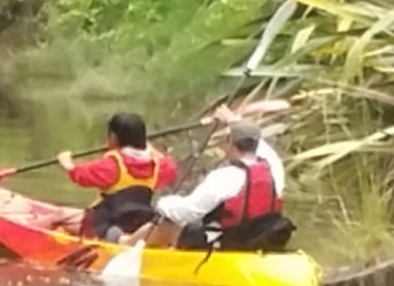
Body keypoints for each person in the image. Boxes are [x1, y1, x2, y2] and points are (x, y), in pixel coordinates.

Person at [121, 104, 294, 252]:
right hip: (256, 237)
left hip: (226, 241)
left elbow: (189, 212)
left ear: (230, 142)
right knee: (181, 219)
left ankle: (127, 246)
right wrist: (233, 120)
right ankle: (134, 242)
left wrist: (163, 203)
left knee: (169, 219)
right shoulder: (273, 168)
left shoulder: (225, 178)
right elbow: (263, 148)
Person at [39, 112, 178, 241]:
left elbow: (81, 176)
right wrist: (149, 148)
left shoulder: (111, 165)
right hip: (139, 225)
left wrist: (67, 163)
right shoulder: (157, 165)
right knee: (68, 215)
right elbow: (170, 168)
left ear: (114, 137)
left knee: (58, 216)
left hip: (103, 226)